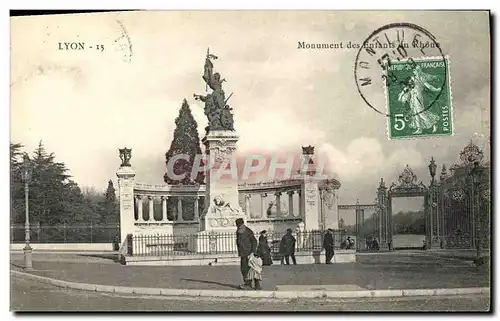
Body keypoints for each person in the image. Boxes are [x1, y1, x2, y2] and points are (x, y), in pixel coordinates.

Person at [235, 218, 257, 290]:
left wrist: (252, 252)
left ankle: (253, 284)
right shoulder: (238, 231)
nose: (239, 227)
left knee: (251, 269)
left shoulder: (248, 231)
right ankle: (248, 283)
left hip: (249, 253)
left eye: (240, 226)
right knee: (244, 269)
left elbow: (254, 242)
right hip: (243, 253)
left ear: (243, 224)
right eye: (238, 226)